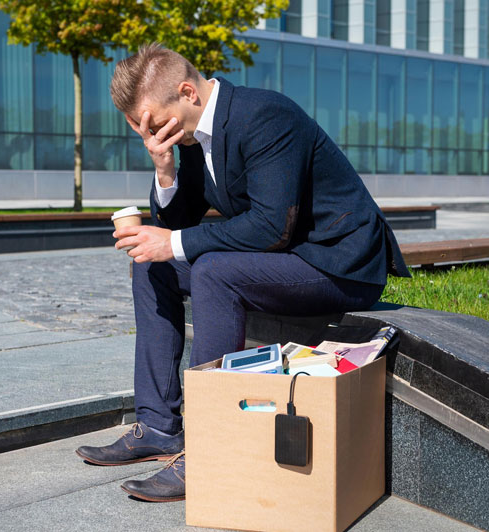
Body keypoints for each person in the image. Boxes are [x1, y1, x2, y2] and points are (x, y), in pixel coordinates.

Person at [75, 43, 410, 502]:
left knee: (212, 270)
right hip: (287, 257)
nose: (150, 133)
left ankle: (208, 449)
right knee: (154, 270)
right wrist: (164, 169)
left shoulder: (264, 115)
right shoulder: (192, 137)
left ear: (188, 92)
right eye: (141, 128)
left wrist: (171, 242)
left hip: (339, 263)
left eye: (152, 122)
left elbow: (273, 225)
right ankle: (157, 425)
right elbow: (181, 223)